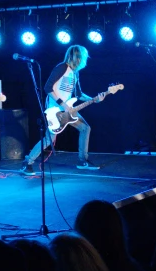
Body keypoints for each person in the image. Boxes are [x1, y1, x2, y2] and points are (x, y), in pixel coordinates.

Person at [21, 45, 104, 175]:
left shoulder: (75, 73)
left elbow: (78, 94)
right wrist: (63, 104)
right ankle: (27, 162)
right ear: (77, 57)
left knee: (85, 128)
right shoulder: (62, 67)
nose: (85, 60)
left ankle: (82, 161)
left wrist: (94, 98)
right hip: (55, 110)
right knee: (49, 139)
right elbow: (48, 88)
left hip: (68, 110)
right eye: (83, 57)